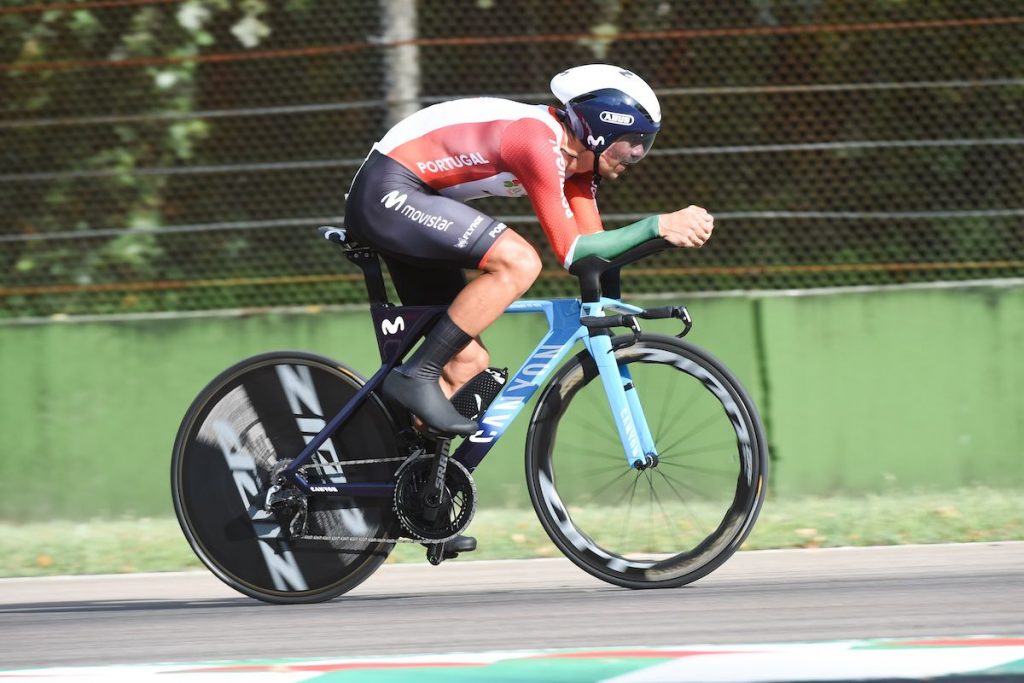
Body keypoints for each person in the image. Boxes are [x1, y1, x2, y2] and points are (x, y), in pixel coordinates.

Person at [343, 64, 714, 554]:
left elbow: (595, 255)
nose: (637, 156)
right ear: (600, 129)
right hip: (390, 191)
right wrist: (656, 225)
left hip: (417, 200)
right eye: (632, 144)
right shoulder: (536, 140)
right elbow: (569, 252)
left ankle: (409, 499)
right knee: (519, 261)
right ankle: (416, 375)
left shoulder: (580, 169)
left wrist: (625, 299)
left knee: (468, 366)